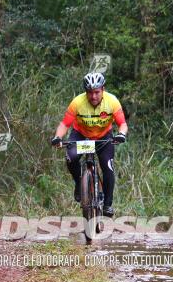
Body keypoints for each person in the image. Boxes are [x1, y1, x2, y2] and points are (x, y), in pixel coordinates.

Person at [50, 72, 127, 217]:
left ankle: (108, 205)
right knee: (71, 158)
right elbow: (64, 124)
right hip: (82, 136)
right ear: (85, 92)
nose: (93, 96)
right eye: (90, 93)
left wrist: (121, 134)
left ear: (103, 89)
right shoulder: (77, 102)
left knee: (108, 167)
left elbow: (122, 124)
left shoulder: (112, 101)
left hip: (103, 138)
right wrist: (57, 137)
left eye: (97, 92)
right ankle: (80, 183)